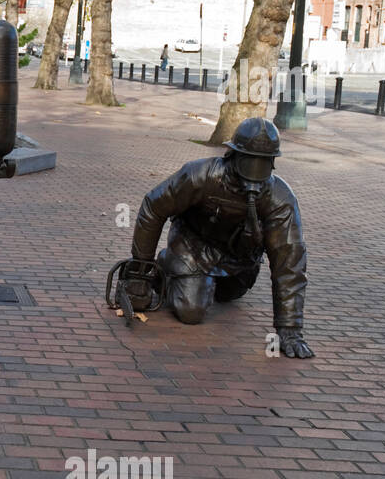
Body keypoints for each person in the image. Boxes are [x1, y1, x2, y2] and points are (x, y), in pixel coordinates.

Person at [126, 117, 313, 358]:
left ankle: (210, 280)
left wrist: (290, 328)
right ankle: (168, 265)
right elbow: (154, 207)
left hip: (239, 258)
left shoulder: (280, 198)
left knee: (229, 295)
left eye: (262, 163)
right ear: (232, 155)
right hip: (192, 247)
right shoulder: (200, 175)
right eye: (249, 161)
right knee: (191, 311)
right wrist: (140, 269)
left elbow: (290, 259)